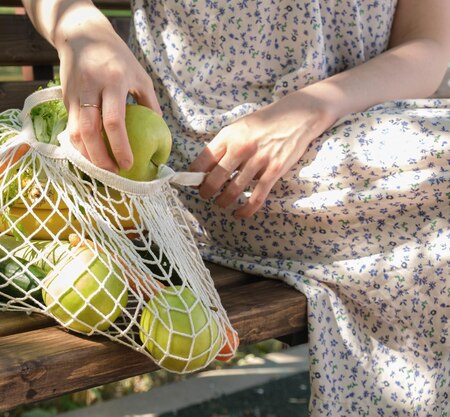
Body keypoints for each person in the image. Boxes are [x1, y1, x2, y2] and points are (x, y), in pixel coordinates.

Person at [22, 0, 450, 415]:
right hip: (222, 161)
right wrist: (83, 31)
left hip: (358, 123)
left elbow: (427, 43)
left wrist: (315, 104)